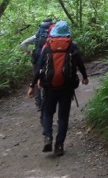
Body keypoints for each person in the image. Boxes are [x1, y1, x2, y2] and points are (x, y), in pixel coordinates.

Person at [27, 20, 88, 156]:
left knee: (48, 113)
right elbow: (79, 63)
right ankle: (59, 145)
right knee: (63, 116)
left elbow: (39, 67)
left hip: (49, 86)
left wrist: (32, 85)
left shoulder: (48, 46)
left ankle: (48, 137)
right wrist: (84, 76)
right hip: (67, 87)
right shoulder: (72, 46)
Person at [20, 17, 55, 112]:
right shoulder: (52, 34)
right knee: (48, 79)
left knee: (36, 79)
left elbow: (23, 43)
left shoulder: (37, 34)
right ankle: (47, 101)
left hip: (36, 59)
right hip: (48, 59)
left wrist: (29, 52)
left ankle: (38, 103)